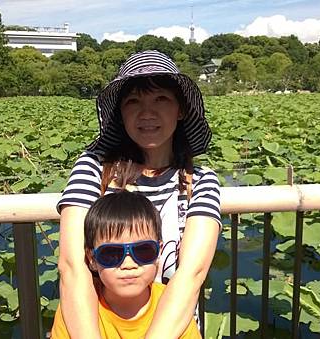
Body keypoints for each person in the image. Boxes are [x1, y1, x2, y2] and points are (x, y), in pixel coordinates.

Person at [55, 50, 221, 338]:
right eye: (133, 101)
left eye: (161, 99)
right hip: (99, 327)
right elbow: (72, 266)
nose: (147, 113)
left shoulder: (201, 182)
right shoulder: (94, 170)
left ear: (180, 109)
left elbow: (191, 274)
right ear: (120, 112)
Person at [51, 191, 201, 338]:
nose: (128, 264)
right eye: (111, 253)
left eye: (143, 250)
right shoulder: (76, 307)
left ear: (159, 251)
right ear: (92, 258)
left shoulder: (175, 305)